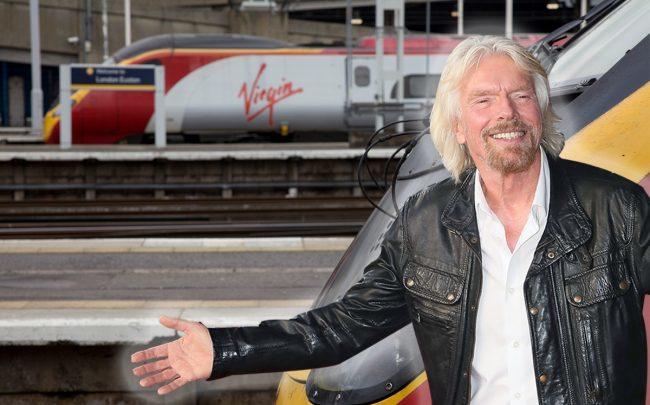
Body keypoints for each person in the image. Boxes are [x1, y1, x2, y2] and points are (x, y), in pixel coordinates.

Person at [131, 36, 650, 404]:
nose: (506, 113)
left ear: (540, 110)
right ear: (458, 125)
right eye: (483, 100)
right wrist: (225, 350)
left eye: (520, 95)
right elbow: (341, 326)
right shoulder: (424, 226)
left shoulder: (618, 208)